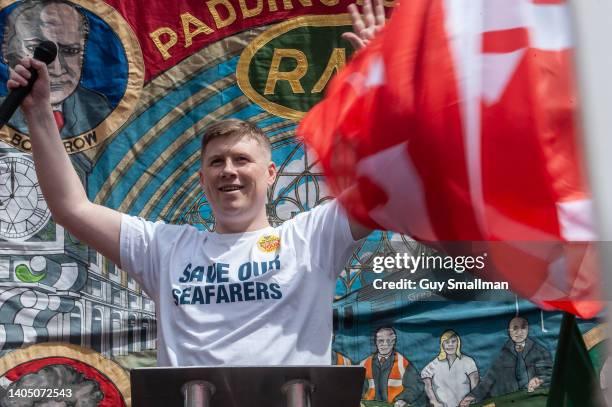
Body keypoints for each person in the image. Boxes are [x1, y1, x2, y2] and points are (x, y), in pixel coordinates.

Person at [6, 0, 384, 366]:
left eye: (242, 160)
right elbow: (71, 208)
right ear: (202, 179)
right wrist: (39, 112)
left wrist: (383, 81)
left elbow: (385, 180)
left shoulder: (313, 237)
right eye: (216, 162)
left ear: (270, 174)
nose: (229, 170)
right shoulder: (164, 248)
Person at [2, 0, 111, 136]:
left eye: (70, 51)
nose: (57, 69)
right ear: (7, 52)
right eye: (35, 49)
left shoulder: (98, 108)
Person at [459, 317, 553, 405]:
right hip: (510, 402)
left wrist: (539, 380)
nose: (519, 332)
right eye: (515, 328)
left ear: (528, 330)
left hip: (533, 401)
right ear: (509, 331)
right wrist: (473, 396)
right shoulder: (504, 354)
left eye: (523, 328)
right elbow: (489, 379)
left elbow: (550, 375)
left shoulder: (540, 351)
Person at [360, 327, 425, 406]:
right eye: (381, 341)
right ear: (375, 342)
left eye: (389, 341)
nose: (385, 344)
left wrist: (403, 399)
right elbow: (359, 388)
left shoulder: (403, 362)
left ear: (394, 342)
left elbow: (415, 386)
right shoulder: (365, 363)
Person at [421, 330, 479, 407]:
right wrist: (434, 401)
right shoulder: (434, 364)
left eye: (453, 341)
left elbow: (475, 382)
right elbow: (426, 383)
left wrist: (471, 398)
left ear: (458, 343)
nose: (450, 344)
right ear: (442, 345)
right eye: (447, 342)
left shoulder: (468, 361)